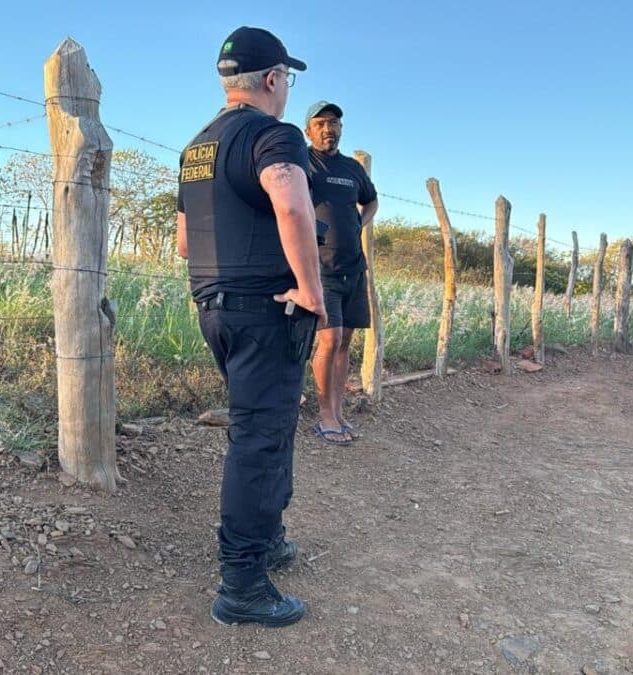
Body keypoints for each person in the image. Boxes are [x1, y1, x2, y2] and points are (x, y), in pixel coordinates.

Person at [175, 26, 324, 628]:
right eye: (287, 77)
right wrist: (311, 291)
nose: (287, 88)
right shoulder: (274, 134)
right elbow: (290, 203)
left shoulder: (197, 146)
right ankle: (241, 582)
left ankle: (267, 541)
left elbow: (185, 241)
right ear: (270, 79)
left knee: (265, 426)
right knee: (260, 438)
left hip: (215, 305)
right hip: (267, 307)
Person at [305, 101, 378, 445]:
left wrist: (357, 224)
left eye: (333, 123)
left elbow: (372, 200)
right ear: (309, 130)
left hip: (354, 266)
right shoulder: (302, 162)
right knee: (329, 340)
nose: (327, 129)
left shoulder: (352, 169)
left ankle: (337, 412)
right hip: (321, 266)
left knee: (346, 342)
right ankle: (323, 416)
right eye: (320, 123)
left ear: (341, 129)